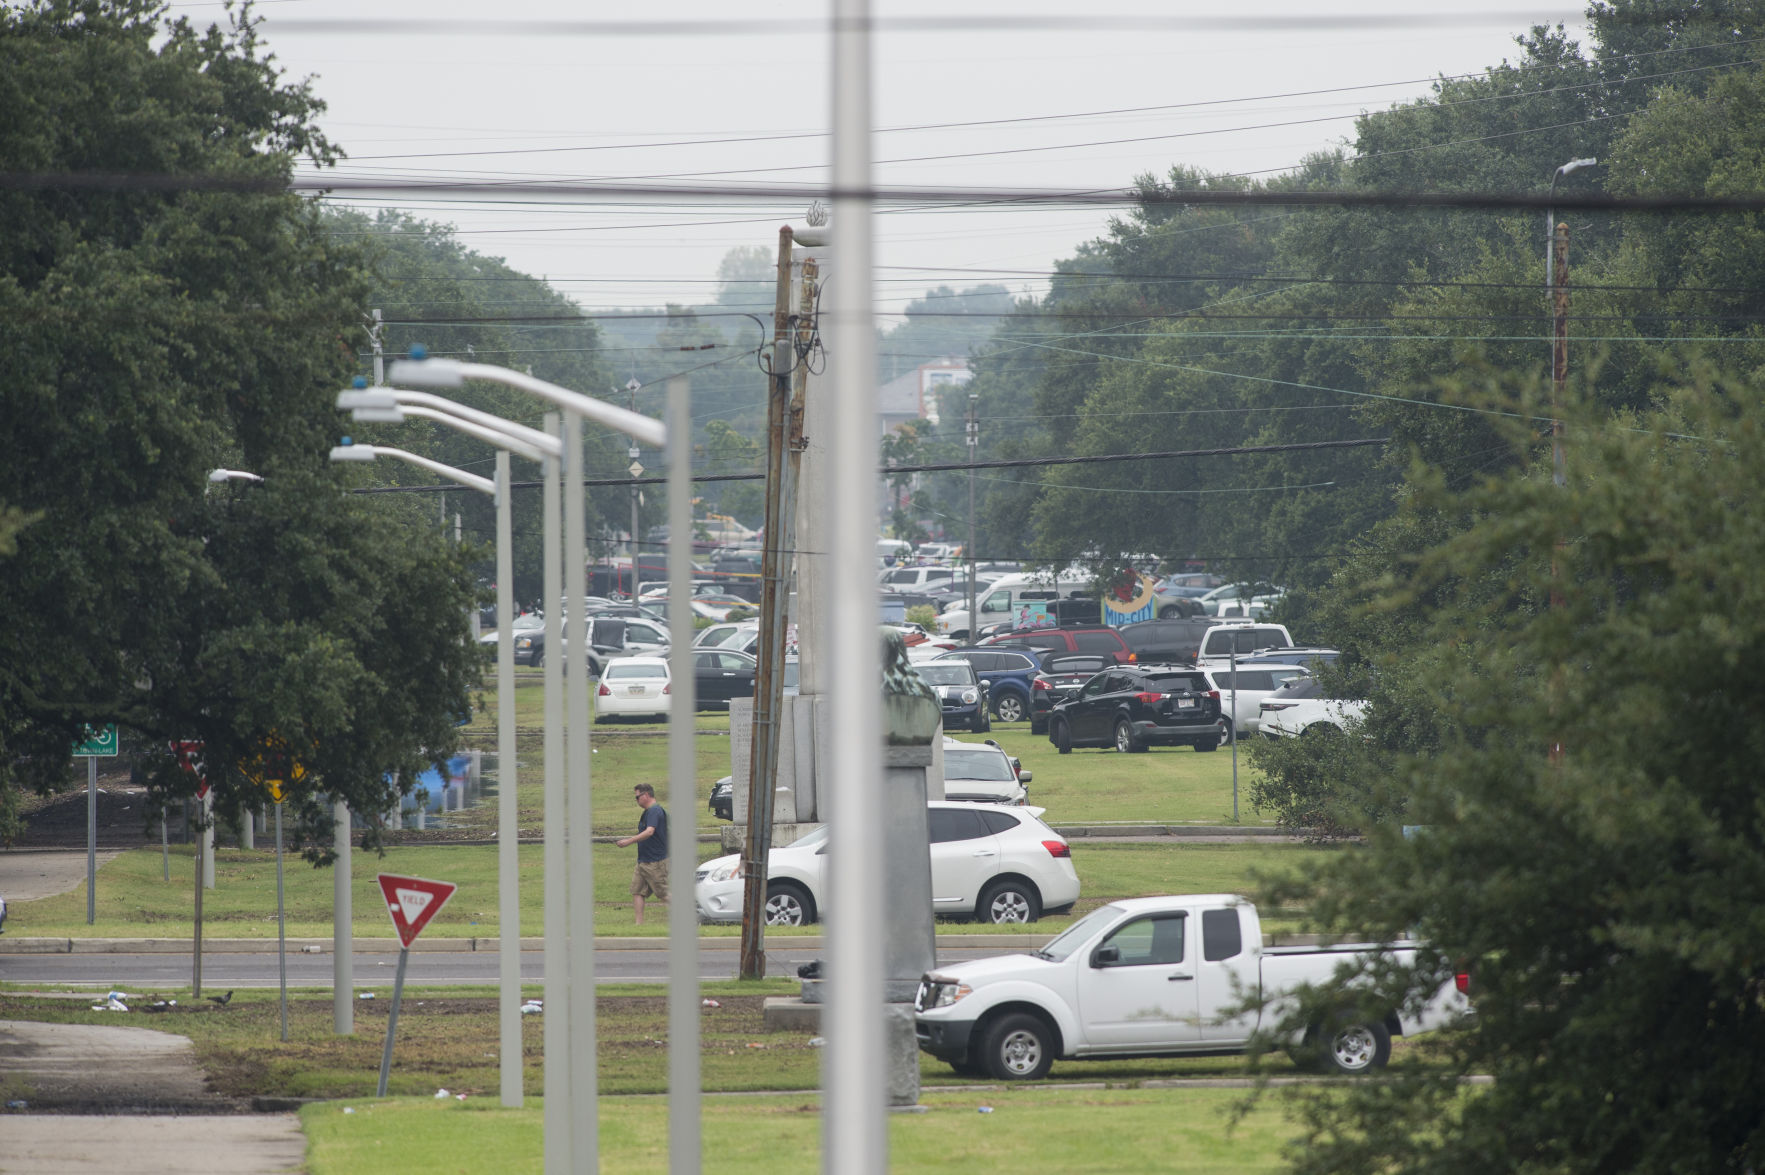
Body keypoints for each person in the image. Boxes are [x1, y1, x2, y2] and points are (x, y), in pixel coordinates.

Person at [615, 783, 668, 925]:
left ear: (645, 795)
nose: (636, 800)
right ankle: (639, 925)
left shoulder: (655, 811)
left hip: (655, 861)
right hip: (643, 861)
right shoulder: (648, 812)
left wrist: (629, 841)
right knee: (637, 891)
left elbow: (650, 831)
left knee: (664, 893)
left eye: (637, 797)